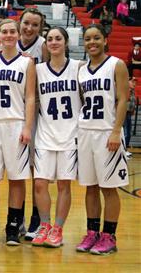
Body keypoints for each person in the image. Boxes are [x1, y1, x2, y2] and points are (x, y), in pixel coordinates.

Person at [0, 19, 35, 246]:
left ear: (18, 34)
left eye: (13, 31)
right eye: (5, 31)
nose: (9, 35)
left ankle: (13, 225)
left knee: (17, 179)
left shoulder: (27, 62)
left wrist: (27, 126)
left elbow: (31, 97)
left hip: (16, 123)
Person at [76, 23, 129, 255]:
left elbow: (123, 99)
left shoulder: (116, 64)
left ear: (105, 40)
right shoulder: (81, 69)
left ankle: (109, 236)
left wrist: (116, 131)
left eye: (97, 38)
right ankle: (92, 232)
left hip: (107, 133)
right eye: (88, 39)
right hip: (86, 131)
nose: (92, 43)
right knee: (90, 187)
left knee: (109, 188)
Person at [32, 27, 82, 248]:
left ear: (66, 42)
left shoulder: (79, 67)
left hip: (70, 135)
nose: (53, 42)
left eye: (58, 38)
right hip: (45, 133)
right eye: (50, 39)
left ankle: (58, 229)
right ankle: (44, 225)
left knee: (64, 185)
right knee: (40, 184)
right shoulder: (38, 69)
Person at [16, 7, 49, 241]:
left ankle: (37, 219)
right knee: (18, 169)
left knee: (37, 170)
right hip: (15, 111)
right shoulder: (9, 41)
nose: (29, 28)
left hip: (38, 111)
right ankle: (17, 218)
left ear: (40, 28)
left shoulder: (46, 46)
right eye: (26, 23)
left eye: (34, 25)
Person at [124, 78, 136, 158]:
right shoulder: (125, 90)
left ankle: (125, 149)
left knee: (128, 133)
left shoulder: (132, 92)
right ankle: (123, 150)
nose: (134, 83)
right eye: (132, 82)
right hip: (124, 114)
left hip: (128, 113)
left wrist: (133, 110)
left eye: (135, 82)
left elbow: (132, 102)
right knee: (125, 133)